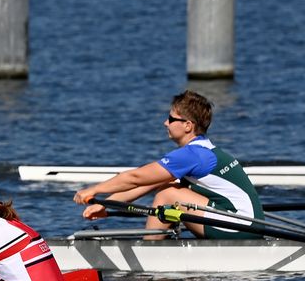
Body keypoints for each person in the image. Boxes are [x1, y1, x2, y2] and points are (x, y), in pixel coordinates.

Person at [73, 90, 261, 239]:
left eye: (171, 119)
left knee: (168, 194)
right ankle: (157, 244)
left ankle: (150, 253)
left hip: (239, 228)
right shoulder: (202, 150)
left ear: (188, 125)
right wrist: (108, 205)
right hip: (247, 224)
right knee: (170, 186)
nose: (165, 123)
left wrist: (94, 190)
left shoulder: (191, 155)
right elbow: (148, 182)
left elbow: (135, 177)